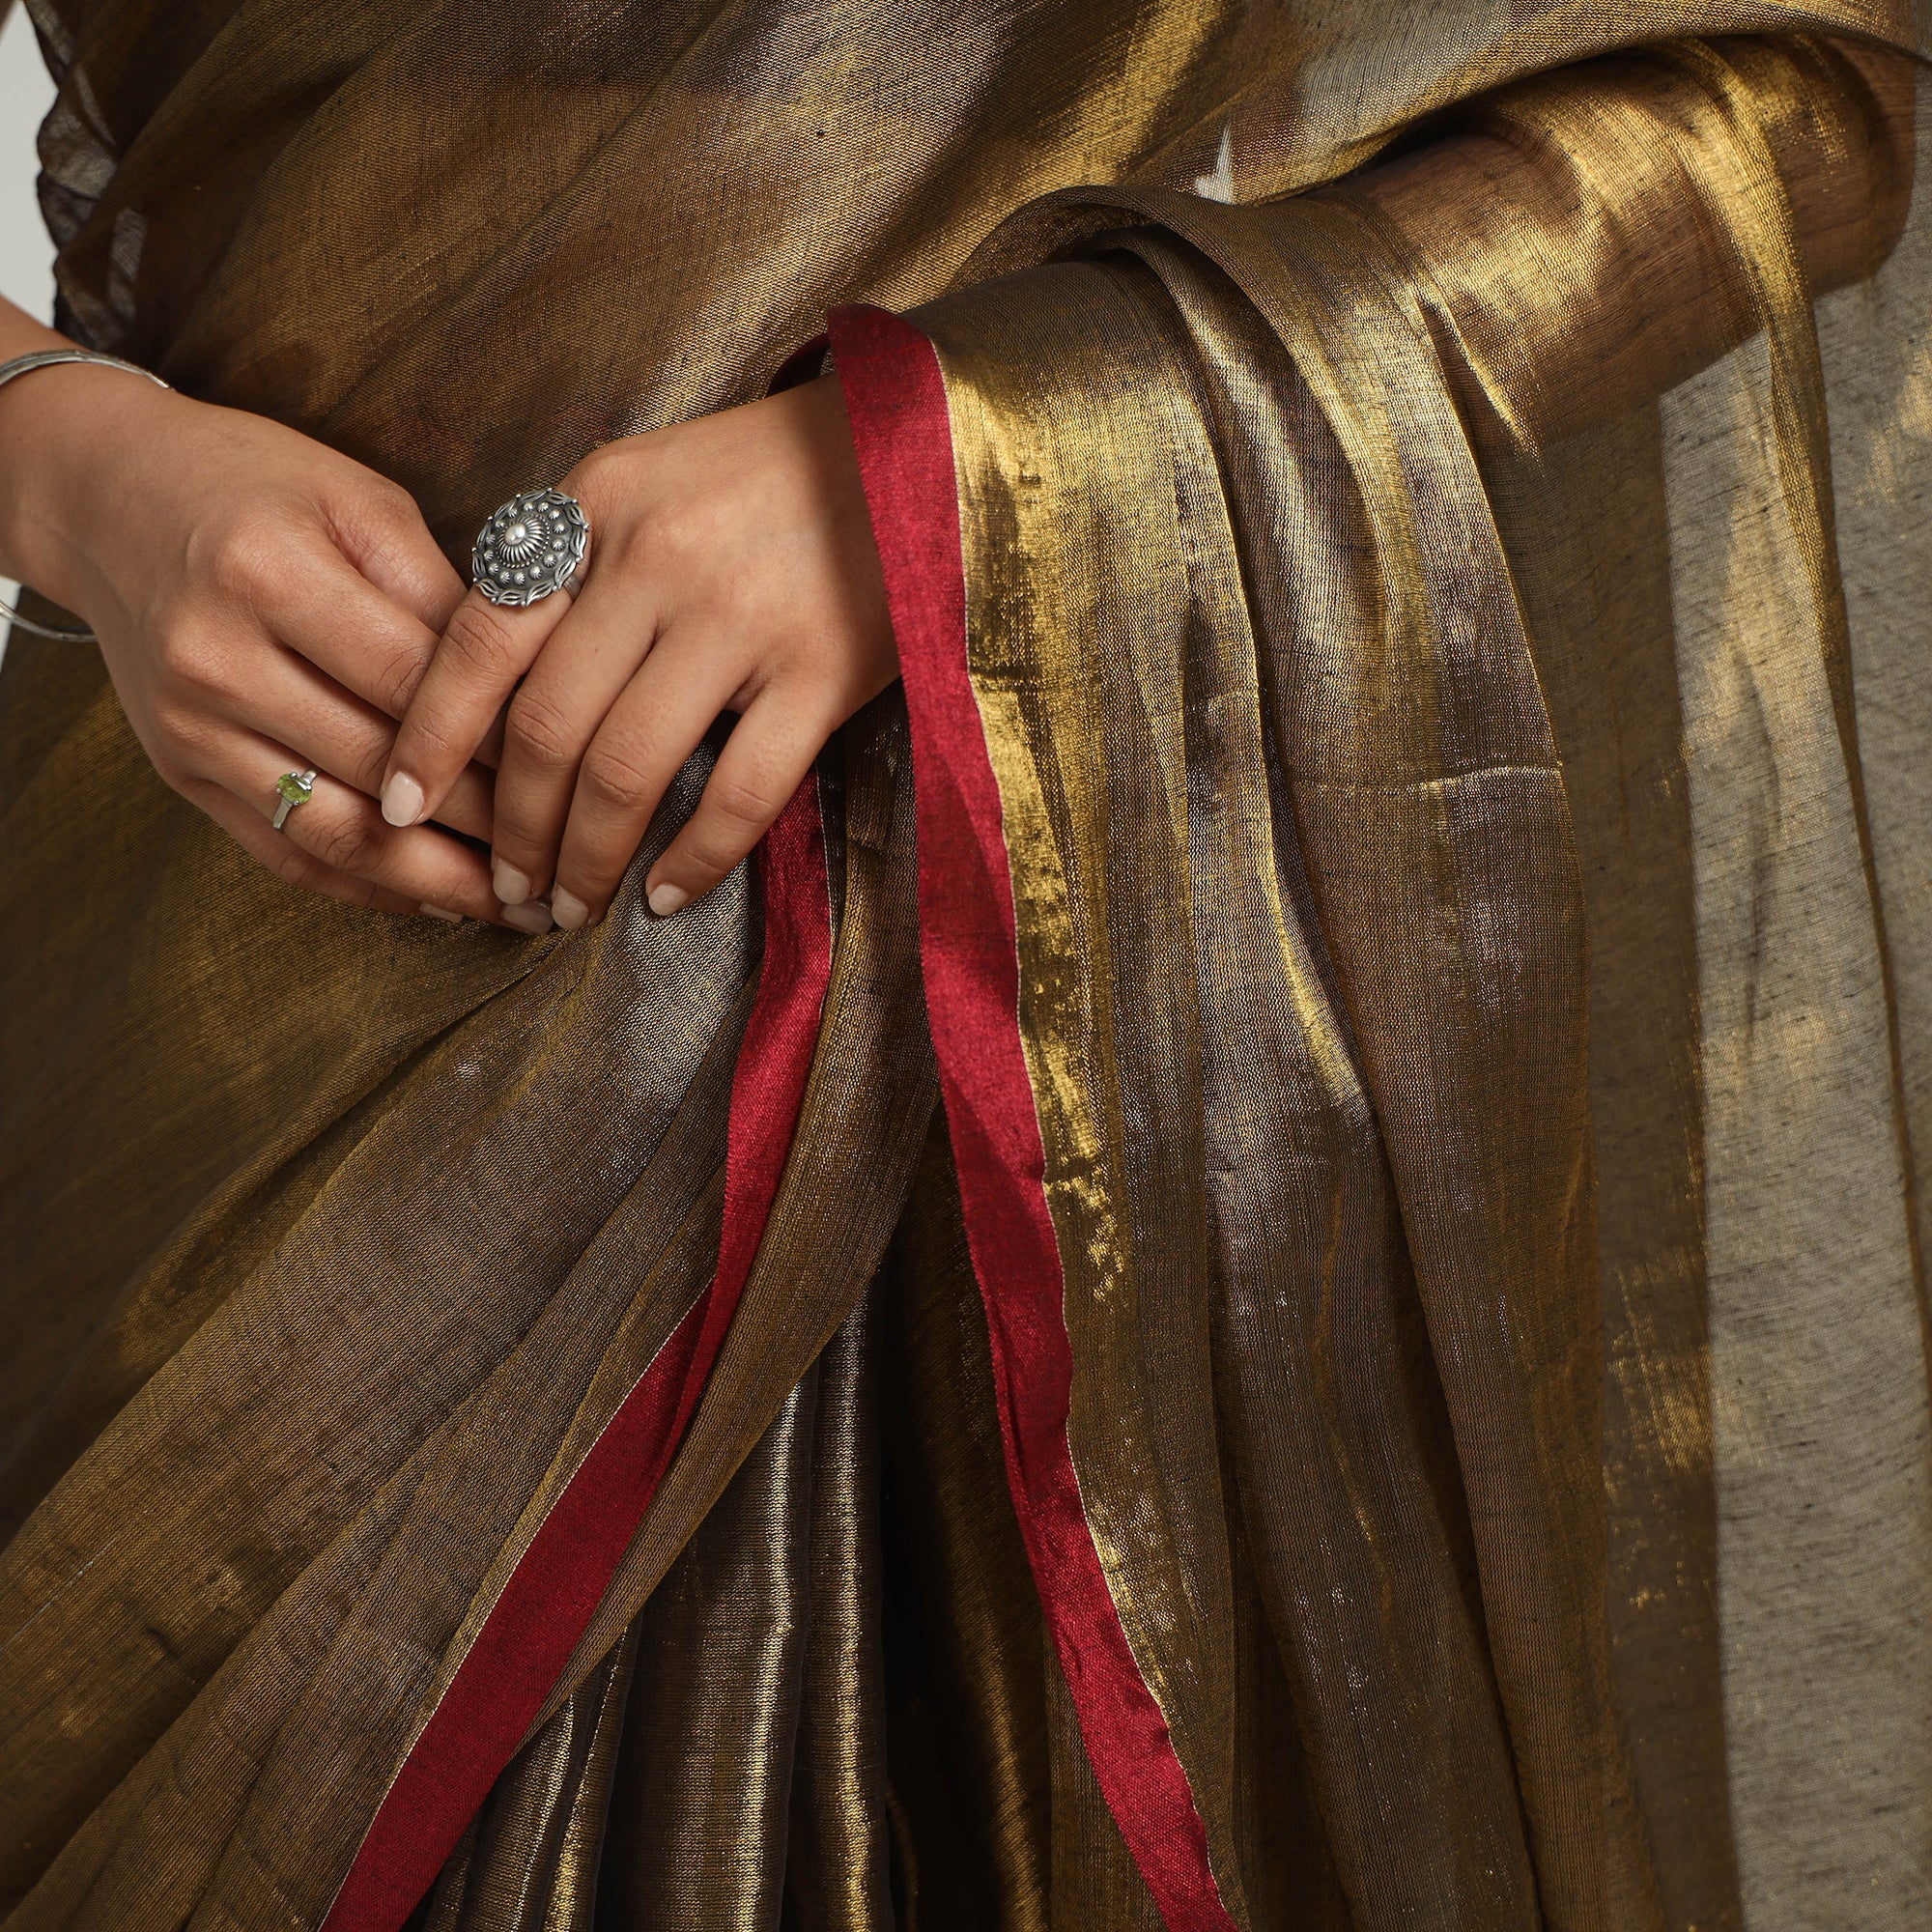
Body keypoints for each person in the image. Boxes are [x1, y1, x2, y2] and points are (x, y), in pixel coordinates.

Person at [2, 1, 1930, 1927]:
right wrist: (76, 472)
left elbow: (1805, 103)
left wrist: (965, 469)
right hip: (238, 1058)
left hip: (1109, 1070)